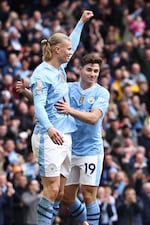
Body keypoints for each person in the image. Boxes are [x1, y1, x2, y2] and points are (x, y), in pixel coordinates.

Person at [27, 10, 94, 225]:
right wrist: (49, 129)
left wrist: (81, 22)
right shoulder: (41, 74)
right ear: (56, 50)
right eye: (67, 50)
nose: (70, 52)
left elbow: (71, 41)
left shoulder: (59, 68)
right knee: (52, 189)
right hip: (49, 136)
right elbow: (38, 105)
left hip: (65, 135)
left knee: (61, 193)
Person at [55, 54, 110, 225]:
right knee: (67, 196)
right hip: (71, 149)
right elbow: (48, 101)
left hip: (91, 151)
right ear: (81, 70)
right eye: (89, 70)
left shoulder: (101, 92)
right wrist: (28, 92)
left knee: (88, 194)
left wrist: (69, 110)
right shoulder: (69, 88)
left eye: (96, 71)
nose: (92, 74)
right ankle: (84, 222)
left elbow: (94, 118)